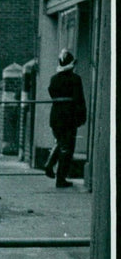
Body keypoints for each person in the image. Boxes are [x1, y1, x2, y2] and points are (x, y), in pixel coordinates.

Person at [45, 49, 87, 188]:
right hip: (69, 117)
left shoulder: (54, 79)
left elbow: (51, 92)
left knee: (60, 142)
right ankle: (60, 178)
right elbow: (79, 99)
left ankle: (50, 164)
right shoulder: (75, 79)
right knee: (67, 147)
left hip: (55, 117)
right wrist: (82, 116)